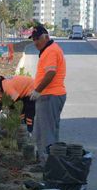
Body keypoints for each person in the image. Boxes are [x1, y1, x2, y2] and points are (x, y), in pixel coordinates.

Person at [27, 25, 67, 164]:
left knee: (47, 134)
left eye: (38, 39)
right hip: (48, 96)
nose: (35, 42)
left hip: (50, 96)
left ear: (46, 37)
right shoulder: (48, 50)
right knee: (40, 132)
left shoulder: (50, 51)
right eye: (33, 39)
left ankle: (49, 168)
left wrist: (38, 90)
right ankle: (44, 163)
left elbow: (51, 73)